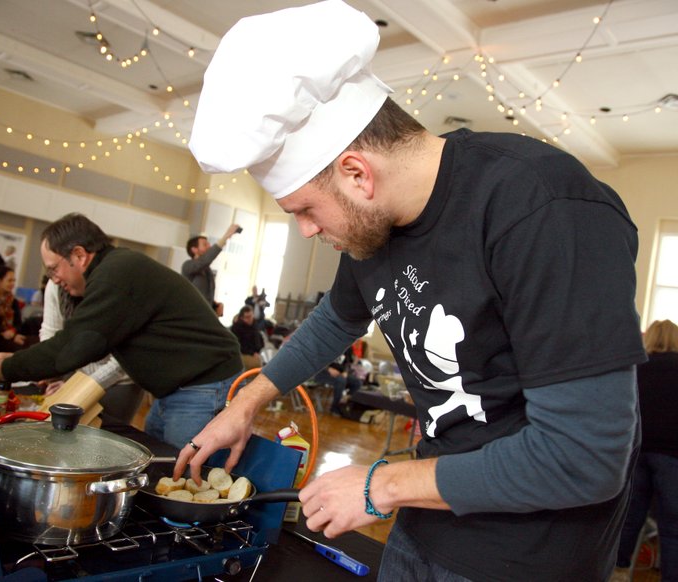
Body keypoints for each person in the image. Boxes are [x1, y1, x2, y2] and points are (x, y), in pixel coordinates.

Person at [175, 2, 646, 581]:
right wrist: (247, 402)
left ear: (356, 173)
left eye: (303, 210)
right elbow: (335, 320)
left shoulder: (543, 208)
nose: (306, 230)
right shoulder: (376, 229)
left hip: (528, 552)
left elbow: (584, 458)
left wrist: (382, 483)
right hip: (427, 515)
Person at [0, 213, 243, 449]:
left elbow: (75, 345)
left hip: (201, 386)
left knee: (181, 474)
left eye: (54, 269)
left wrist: (7, 368)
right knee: (163, 465)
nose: (54, 279)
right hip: (177, 388)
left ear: (80, 255)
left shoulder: (114, 275)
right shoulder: (111, 269)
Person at [612, 319, 678, 582]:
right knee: (673, 529)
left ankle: (617, 573)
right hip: (673, 457)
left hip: (636, 452)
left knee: (628, 519)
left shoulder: (637, 368)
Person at [38, 278, 144, 426]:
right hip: (80, 376)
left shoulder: (115, 284)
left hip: (119, 381)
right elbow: (51, 332)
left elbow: (122, 361)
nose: (55, 277)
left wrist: (78, 387)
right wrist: (47, 369)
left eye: (55, 268)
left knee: (106, 437)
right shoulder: (56, 283)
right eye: (50, 270)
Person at [181, 224, 240, 316]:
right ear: (194, 250)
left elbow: (203, 296)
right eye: (205, 244)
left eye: (208, 244)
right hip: (190, 316)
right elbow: (204, 261)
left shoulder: (207, 270)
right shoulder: (187, 266)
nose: (209, 246)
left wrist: (215, 305)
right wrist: (226, 236)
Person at [0, 265, 36, 352]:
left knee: (36, 343)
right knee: (24, 350)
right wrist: (7, 334)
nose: (12, 284)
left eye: (14, 281)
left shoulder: (13, 301)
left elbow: (18, 323)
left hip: (13, 335)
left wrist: (14, 333)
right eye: (9, 280)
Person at [230, 305, 264, 370]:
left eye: (251, 316)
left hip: (256, 352)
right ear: (242, 318)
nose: (250, 319)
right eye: (247, 317)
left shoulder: (254, 324)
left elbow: (258, 338)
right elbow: (238, 345)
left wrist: (259, 348)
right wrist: (252, 353)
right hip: (243, 353)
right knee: (256, 365)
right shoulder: (237, 328)